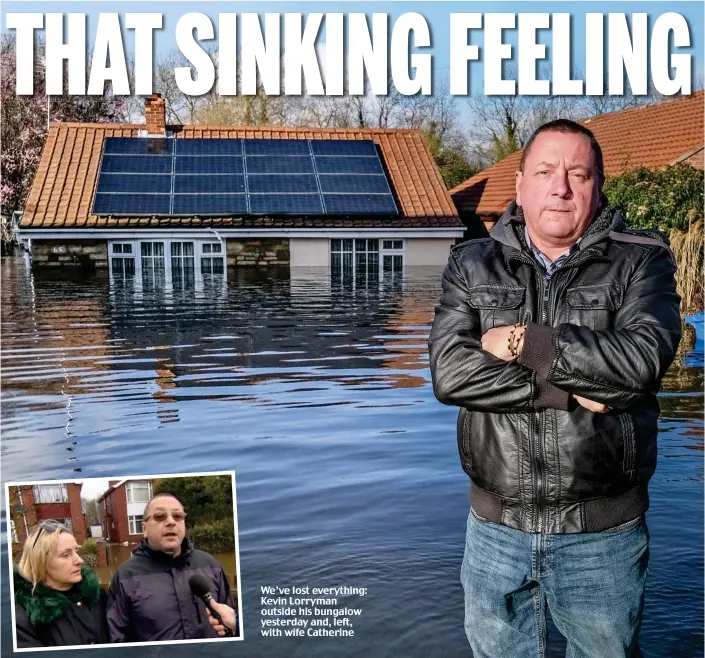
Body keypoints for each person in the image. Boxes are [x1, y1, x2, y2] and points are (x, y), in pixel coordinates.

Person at [429, 119, 681, 658]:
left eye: (577, 173)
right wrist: (568, 391)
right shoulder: (471, 263)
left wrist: (523, 340)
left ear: (596, 186)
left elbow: (638, 364)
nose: (560, 186)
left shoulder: (643, 260)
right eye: (545, 171)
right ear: (520, 185)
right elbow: (450, 373)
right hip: (494, 533)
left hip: (603, 539)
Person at [106, 493, 236, 642]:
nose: (170, 522)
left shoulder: (210, 564)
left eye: (177, 516)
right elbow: (118, 639)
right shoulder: (125, 576)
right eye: (160, 516)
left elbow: (231, 623)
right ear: (144, 528)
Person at [13, 520, 108, 648]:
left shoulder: (97, 596)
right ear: (41, 562)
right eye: (66, 555)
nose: (79, 560)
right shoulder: (21, 618)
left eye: (76, 551)